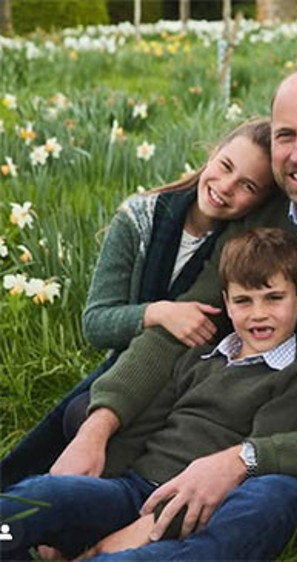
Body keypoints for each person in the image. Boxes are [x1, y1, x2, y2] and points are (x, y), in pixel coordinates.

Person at [29, 67, 297, 560]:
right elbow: (180, 330)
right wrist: (96, 430)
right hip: (194, 458)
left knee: (255, 506)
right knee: (39, 500)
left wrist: (243, 460)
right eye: (285, 135)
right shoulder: (259, 222)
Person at [1, 228, 297, 560]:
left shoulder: (296, 382)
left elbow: (248, 474)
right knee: (40, 496)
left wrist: (138, 531)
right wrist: (87, 491)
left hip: (191, 517)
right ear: (227, 303)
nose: (258, 313)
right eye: (244, 300)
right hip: (131, 490)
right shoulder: (198, 358)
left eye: (274, 298)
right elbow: (140, 430)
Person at [0, 119, 276, 491]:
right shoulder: (139, 219)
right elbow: (96, 323)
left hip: (192, 383)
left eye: (248, 186)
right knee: (78, 416)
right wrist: (158, 312)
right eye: (226, 166)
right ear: (213, 153)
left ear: (260, 202)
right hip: (130, 370)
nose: (226, 188)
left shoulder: (241, 247)